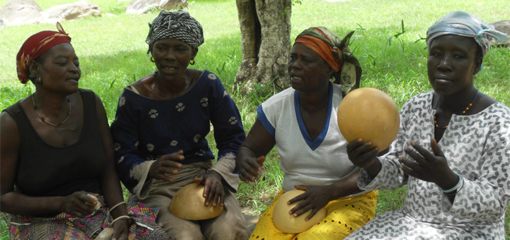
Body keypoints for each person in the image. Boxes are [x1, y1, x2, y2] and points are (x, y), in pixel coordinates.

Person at [345, 11, 510, 239]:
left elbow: (496, 203)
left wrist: (448, 180)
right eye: (436, 54)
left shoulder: (499, 122)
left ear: (477, 64)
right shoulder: (416, 107)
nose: (443, 64)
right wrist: (370, 163)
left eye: (458, 56)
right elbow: (398, 171)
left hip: (470, 232)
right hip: (411, 225)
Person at [0, 23, 168, 240]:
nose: (74, 69)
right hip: (39, 219)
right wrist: (61, 203)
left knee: (156, 237)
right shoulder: (11, 123)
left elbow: (108, 167)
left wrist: (119, 216)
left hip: (96, 212)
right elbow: (3, 197)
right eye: (62, 63)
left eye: (76, 62)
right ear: (34, 69)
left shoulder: (90, 103)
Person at [110, 10, 248, 239]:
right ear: (151, 51)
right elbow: (122, 153)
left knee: (227, 231)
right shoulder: (133, 97)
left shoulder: (208, 85)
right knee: (183, 236)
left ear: (193, 53)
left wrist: (218, 175)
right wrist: (151, 168)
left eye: (181, 48)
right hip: (155, 186)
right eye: (162, 47)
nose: (170, 56)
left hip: (203, 178)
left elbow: (234, 138)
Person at [236, 26, 378, 240]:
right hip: (296, 201)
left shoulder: (352, 107)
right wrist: (246, 160)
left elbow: (380, 166)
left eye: (307, 61)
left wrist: (330, 191)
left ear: (330, 69)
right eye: (293, 58)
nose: (295, 66)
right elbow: (250, 148)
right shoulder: (277, 107)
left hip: (348, 199)